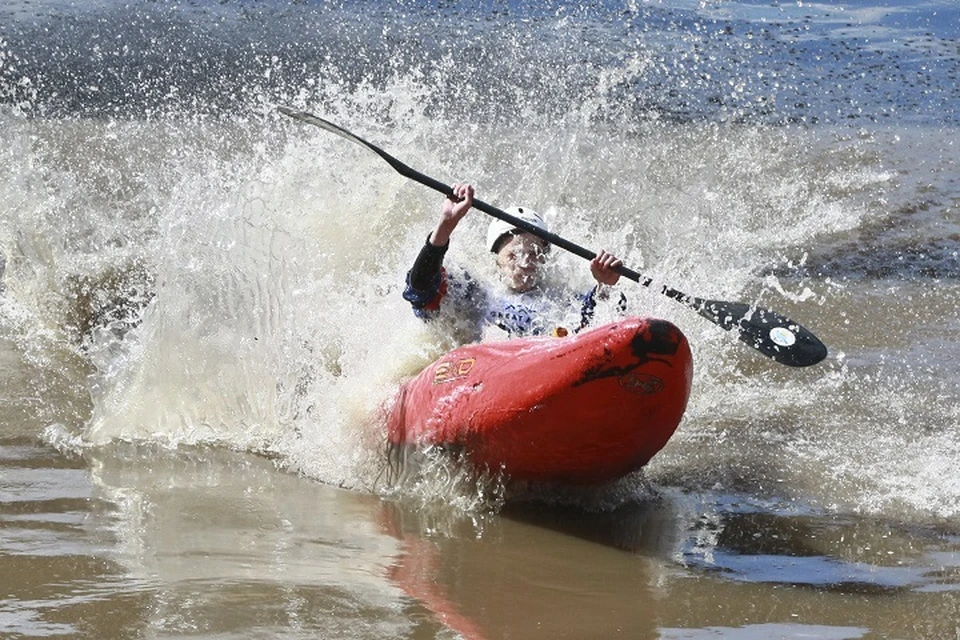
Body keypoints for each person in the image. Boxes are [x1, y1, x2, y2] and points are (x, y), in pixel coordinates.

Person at [403, 183, 627, 340]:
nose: (525, 263)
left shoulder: (561, 300)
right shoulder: (477, 292)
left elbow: (600, 319)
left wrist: (604, 284)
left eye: (534, 254)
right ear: (497, 260)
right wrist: (445, 227)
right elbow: (420, 290)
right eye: (513, 255)